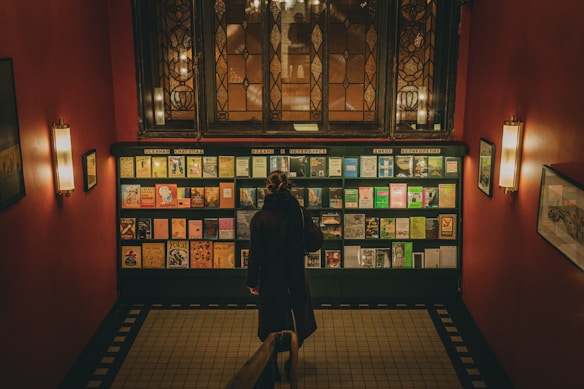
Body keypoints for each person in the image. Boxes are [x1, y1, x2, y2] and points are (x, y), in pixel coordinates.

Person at [246, 170, 323, 381]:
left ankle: (271, 364)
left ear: (267, 189)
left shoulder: (260, 218)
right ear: (289, 186)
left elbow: (256, 254)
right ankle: (292, 361)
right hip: (294, 275)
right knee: (296, 319)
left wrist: (253, 281)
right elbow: (315, 243)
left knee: (272, 320)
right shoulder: (299, 212)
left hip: (271, 278)